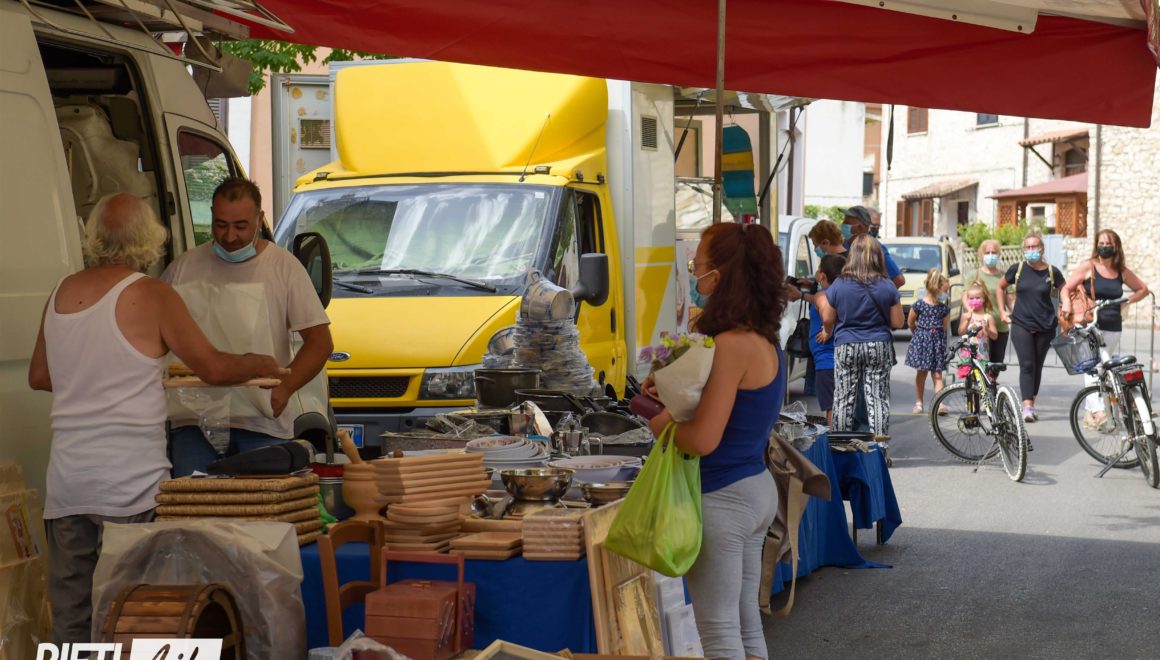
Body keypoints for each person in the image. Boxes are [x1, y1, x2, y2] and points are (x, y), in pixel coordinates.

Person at [27, 193, 281, 645]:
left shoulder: (61, 292)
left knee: (71, 621)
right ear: (149, 239)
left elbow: (40, 376)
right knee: (135, 619)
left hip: (68, 484)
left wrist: (92, 378)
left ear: (93, 236)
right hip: (133, 487)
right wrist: (260, 362)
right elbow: (213, 368)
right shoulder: (152, 294)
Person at [644, 222, 786, 660]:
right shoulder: (764, 340)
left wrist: (661, 423)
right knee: (745, 625)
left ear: (718, 277)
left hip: (723, 497)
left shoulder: (730, 345)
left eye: (696, 267)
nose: (693, 276)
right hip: (755, 489)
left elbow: (702, 439)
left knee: (719, 633)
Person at [163, 178, 333, 476]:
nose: (230, 236)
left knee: (262, 504)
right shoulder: (182, 268)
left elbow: (320, 342)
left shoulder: (283, 267)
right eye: (220, 225)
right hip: (193, 423)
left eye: (241, 226)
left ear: (260, 218)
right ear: (211, 216)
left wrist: (286, 388)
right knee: (193, 504)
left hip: (261, 422)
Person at [822, 235, 904, 461]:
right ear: (877, 257)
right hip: (878, 345)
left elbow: (827, 318)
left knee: (843, 398)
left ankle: (840, 451)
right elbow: (898, 322)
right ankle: (880, 453)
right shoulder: (887, 285)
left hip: (846, 345)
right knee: (877, 399)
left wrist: (830, 329)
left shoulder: (839, 285)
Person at [1059, 229, 1151, 427]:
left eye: (1108, 244)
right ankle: (1098, 411)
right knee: (1093, 366)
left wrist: (1126, 301)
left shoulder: (1120, 271)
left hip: (1113, 325)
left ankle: (1090, 413)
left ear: (1116, 247)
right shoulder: (1089, 266)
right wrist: (1066, 303)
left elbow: (1143, 289)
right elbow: (1066, 288)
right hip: (1090, 324)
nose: (1104, 247)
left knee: (1104, 368)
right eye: (1101, 243)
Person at [996, 232, 1065, 422]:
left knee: (1037, 366)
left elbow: (1065, 288)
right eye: (1028, 247)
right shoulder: (1017, 269)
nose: (1031, 250)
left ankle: (1031, 403)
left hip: (1046, 325)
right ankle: (1027, 407)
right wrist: (1002, 311)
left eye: (1035, 246)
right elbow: (1000, 287)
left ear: (1042, 249)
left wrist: (1065, 304)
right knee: (1027, 365)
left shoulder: (1052, 272)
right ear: (1023, 249)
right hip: (1021, 323)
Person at [905, 268, 950, 414]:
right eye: (945, 291)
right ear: (935, 288)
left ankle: (940, 403)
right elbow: (911, 322)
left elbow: (944, 327)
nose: (946, 294)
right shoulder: (919, 305)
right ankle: (919, 403)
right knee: (922, 373)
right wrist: (919, 334)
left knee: (937, 374)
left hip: (937, 343)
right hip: (923, 343)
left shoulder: (943, 308)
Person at [808, 254, 845, 424]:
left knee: (832, 408)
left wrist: (827, 330)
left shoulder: (823, 295)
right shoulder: (845, 294)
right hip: (843, 359)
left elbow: (826, 314)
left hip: (827, 362)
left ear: (822, 275)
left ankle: (834, 438)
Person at [966, 239, 1010, 365]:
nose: (991, 255)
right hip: (978, 328)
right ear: (982, 255)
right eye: (987, 252)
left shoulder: (1004, 277)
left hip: (999, 327)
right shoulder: (974, 275)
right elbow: (966, 297)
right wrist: (971, 315)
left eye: (994, 252)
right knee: (978, 365)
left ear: (999, 254)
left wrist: (1015, 315)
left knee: (995, 365)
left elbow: (1011, 299)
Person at [840, 206, 906, 288]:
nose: (843, 225)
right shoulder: (845, 244)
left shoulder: (875, 248)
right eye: (844, 222)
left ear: (860, 227)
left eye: (847, 223)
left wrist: (879, 294)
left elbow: (899, 280)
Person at [956, 280, 999, 378]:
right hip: (968, 355)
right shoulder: (966, 316)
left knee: (982, 380)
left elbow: (995, 336)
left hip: (982, 355)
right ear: (967, 300)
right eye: (971, 298)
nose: (974, 300)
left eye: (977, 298)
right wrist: (966, 321)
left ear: (983, 299)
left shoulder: (988, 317)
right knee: (970, 380)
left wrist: (987, 329)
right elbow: (960, 332)